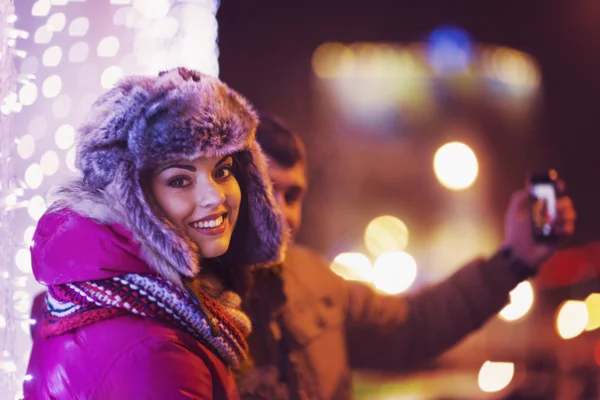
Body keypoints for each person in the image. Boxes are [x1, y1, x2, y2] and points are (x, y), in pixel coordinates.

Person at [235, 113, 577, 399]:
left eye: (292, 195)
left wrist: (514, 259)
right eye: (267, 188)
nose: (281, 211)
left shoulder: (315, 282)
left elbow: (413, 325)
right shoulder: (195, 301)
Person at [24, 68, 287, 399]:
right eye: (180, 180)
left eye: (222, 171)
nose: (215, 197)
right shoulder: (156, 350)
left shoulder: (86, 294)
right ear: (131, 196)